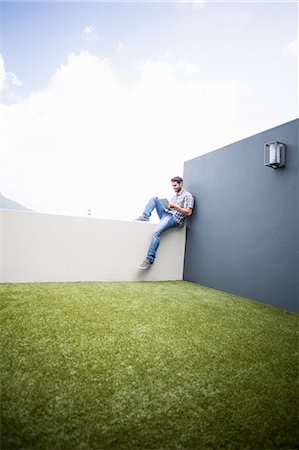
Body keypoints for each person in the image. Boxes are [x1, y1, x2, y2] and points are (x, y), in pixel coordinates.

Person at [135, 176, 194, 269]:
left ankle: (149, 259)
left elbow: (188, 212)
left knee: (156, 232)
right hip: (166, 214)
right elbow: (171, 208)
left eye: (175, 185)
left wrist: (174, 206)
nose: (173, 188)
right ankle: (145, 216)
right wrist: (168, 206)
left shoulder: (188, 196)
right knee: (154, 198)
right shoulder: (175, 196)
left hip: (174, 219)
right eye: (172, 186)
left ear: (181, 184)